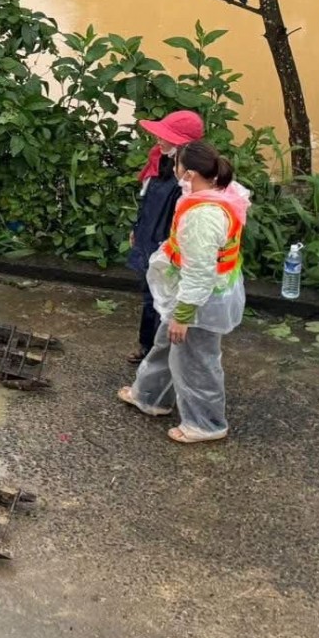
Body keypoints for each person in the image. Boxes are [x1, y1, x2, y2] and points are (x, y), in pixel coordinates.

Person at [119, 140, 250, 445]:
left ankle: (207, 423)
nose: (173, 169)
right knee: (168, 341)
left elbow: (200, 270)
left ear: (189, 173)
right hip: (197, 292)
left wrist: (184, 314)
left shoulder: (202, 215)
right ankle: (149, 395)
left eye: (177, 165)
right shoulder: (221, 192)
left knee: (197, 359)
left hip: (202, 300)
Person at [126, 110, 204, 363]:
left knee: (165, 299)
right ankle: (147, 345)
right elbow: (146, 201)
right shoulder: (158, 162)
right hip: (149, 238)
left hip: (169, 246)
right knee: (149, 295)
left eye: (165, 136)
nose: (158, 140)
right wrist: (136, 230)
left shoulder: (190, 176)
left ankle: (161, 355)